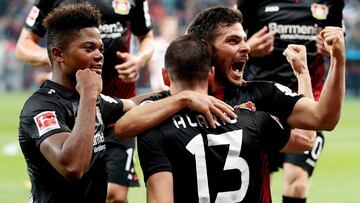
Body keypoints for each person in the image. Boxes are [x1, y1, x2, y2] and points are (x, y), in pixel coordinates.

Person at [137, 34, 312, 203]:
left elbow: (122, 123)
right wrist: (303, 73)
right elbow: (306, 140)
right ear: (210, 74)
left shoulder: (155, 127)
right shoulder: (251, 119)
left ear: (165, 76)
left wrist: (180, 99)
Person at [15, 0, 155, 202]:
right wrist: (61, 63)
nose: (99, 55)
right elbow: (23, 46)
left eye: (101, 48)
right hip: (71, 102)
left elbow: (147, 38)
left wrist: (139, 60)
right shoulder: (41, 106)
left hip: (112, 104)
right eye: (89, 48)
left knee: (115, 194)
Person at [236, 1, 344, 202]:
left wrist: (332, 48)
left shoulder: (331, 3)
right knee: (257, 181)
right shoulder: (249, 3)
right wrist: (249, 48)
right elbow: (227, 42)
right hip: (261, 105)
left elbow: (337, 39)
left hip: (306, 102)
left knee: (297, 183)